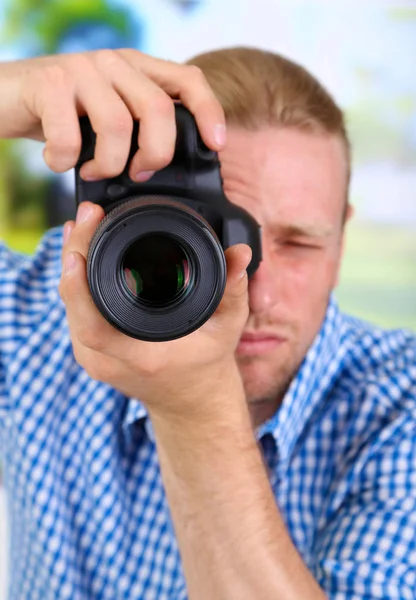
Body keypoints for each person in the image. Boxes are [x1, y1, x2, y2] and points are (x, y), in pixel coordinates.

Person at [0, 46, 415, 600]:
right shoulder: (37, 320)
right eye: (215, 240)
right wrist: (10, 92)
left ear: (341, 240)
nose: (254, 290)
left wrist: (194, 410)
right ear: (134, 219)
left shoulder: (400, 406)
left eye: (299, 243)